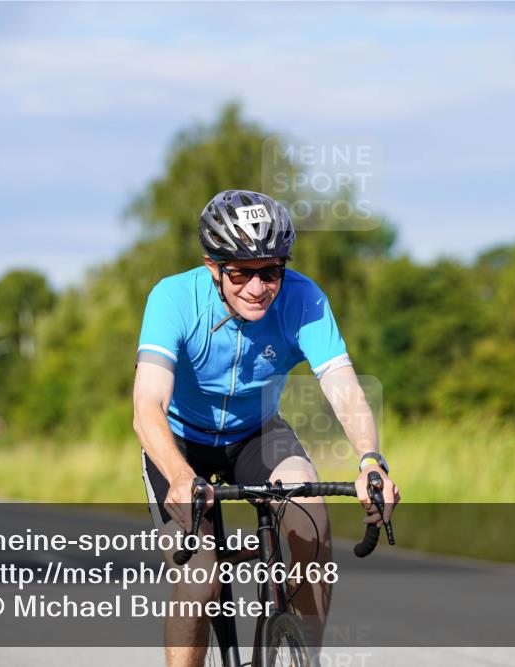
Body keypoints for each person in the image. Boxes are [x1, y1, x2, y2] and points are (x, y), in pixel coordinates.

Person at [133, 189, 400, 667]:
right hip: (179, 442)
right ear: (213, 266)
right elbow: (147, 406)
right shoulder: (173, 298)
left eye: (271, 271)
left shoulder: (304, 299)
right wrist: (177, 475)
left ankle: (299, 656)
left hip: (257, 432)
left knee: (310, 521)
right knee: (201, 578)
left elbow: (344, 390)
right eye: (241, 273)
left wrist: (370, 460)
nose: (257, 288)